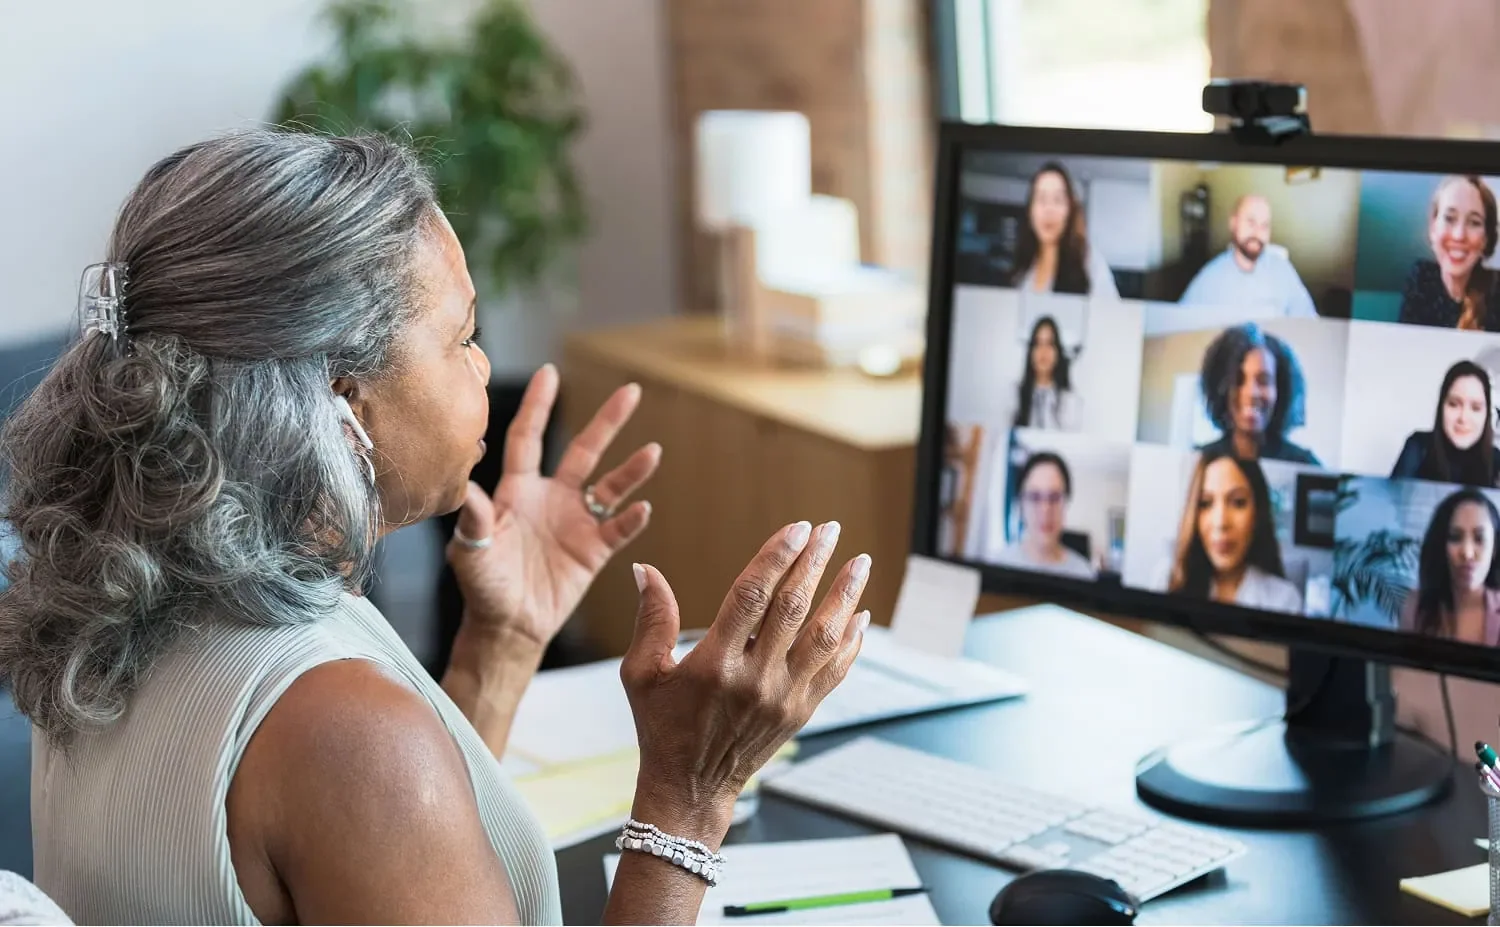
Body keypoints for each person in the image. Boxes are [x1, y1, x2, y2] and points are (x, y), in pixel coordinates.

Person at [0, 130, 874, 925]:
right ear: (342, 400)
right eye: (462, 336)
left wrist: (501, 644)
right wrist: (690, 794)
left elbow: (365, 855)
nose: (484, 365)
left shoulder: (116, 614)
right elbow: (364, 782)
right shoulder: (342, 729)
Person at [1156, 449, 1303, 613]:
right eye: (1205, 503)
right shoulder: (1166, 582)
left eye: (1238, 502)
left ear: (1257, 513)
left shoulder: (1284, 600)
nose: (1221, 522)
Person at [1196, 323, 1321, 465]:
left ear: (1280, 390)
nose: (1251, 393)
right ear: (1221, 388)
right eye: (1238, 380)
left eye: (1263, 381)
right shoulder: (1199, 460)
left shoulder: (1305, 464)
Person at [1178, 194, 1318, 318]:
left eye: (1264, 225)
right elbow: (1181, 324)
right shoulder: (1210, 278)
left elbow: (1308, 318)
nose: (1257, 233)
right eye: (1251, 222)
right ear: (1233, 224)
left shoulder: (1282, 269)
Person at [1397, 175, 1500, 331]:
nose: (1459, 235)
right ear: (1433, 228)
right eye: (1450, 218)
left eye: (1474, 222)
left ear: (1485, 239)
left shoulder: (1496, 290)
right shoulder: (1421, 277)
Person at [1399, 488, 1500, 644]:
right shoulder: (1416, 607)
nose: (1467, 553)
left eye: (1479, 539)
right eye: (1455, 537)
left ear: (1494, 549)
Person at [1010, 162, 1119, 298]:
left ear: (1069, 210)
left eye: (1057, 200)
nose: (1049, 209)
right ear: (1030, 211)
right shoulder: (1023, 267)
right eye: (1041, 199)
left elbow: (1110, 309)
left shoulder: (1089, 263)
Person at [985, 451, 1096, 580]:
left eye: (1054, 497)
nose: (1045, 509)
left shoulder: (1084, 574)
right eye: (1034, 497)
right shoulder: (998, 565)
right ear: (1021, 504)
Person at [1391, 360, 1500, 486]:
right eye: (1454, 404)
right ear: (1441, 407)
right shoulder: (1418, 447)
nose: (1463, 418)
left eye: (1476, 408)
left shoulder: (1496, 460)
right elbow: (1393, 498)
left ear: (1487, 414)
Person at [1013, 315, 1081, 431]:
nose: (1043, 351)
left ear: (1057, 351)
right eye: (1038, 344)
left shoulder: (1069, 398)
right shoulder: (1015, 394)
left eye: (1049, 344)